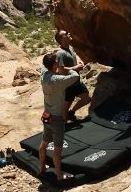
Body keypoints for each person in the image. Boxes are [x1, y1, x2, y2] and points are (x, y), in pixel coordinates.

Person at [39, 52, 79, 181]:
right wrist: (72, 68)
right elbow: (75, 76)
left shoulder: (43, 74)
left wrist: (57, 65)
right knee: (58, 148)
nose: (58, 62)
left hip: (46, 115)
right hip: (56, 118)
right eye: (57, 61)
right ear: (54, 64)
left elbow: (43, 65)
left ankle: (42, 168)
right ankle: (59, 175)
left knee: (44, 142)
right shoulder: (56, 80)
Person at [55, 30, 91, 122]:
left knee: (86, 98)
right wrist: (75, 67)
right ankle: (64, 124)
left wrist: (79, 62)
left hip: (76, 81)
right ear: (61, 39)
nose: (69, 34)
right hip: (68, 83)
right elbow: (61, 70)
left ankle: (71, 113)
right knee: (66, 104)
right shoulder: (60, 53)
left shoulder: (70, 48)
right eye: (66, 33)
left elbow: (73, 58)